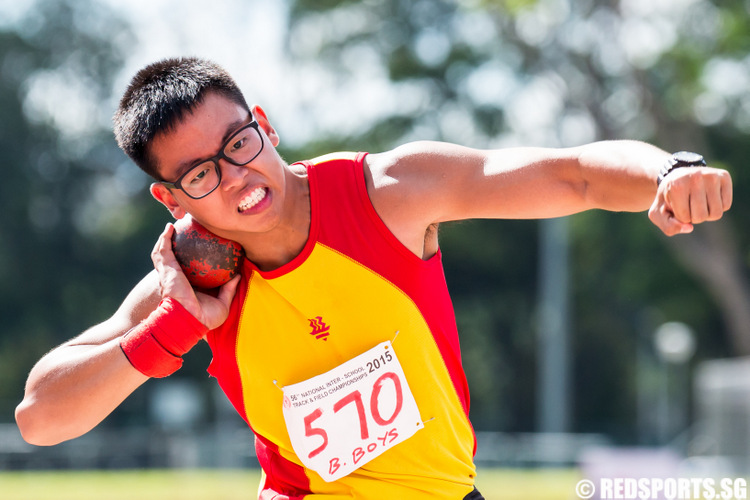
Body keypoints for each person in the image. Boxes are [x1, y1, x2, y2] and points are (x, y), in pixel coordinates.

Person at [15, 57, 732, 499]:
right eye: (202, 174)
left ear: (263, 123)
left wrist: (666, 172)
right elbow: (40, 417)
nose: (239, 178)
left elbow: (569, 174)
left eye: (240, 142)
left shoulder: (389, 194)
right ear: (170, 201)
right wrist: (170, 331)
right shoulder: (191, 278)